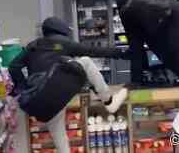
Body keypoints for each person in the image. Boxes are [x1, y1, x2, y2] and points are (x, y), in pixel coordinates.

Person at [9, 17, 128, 152]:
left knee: (60, 139)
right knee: (86, 61)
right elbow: (92, 50)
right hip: (58, 88)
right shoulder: (64, 43)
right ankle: (108, 100)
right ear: (61, 29)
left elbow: (13, 66)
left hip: (40, 98)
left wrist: (23, 88)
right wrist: (121, 53)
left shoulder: (33, 46)